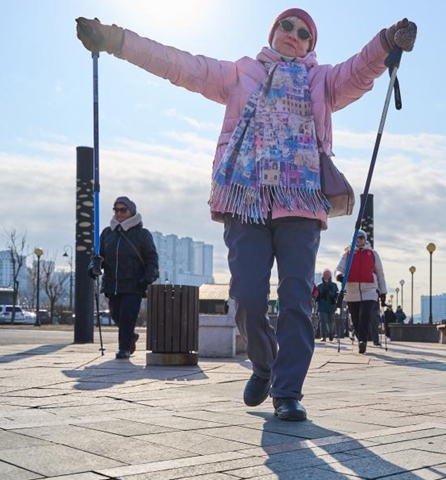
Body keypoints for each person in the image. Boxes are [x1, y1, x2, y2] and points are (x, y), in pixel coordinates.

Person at [76, 10, 417, 421]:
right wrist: (114, 40)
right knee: (248, 301)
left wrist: (385, 41)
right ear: (272, 33)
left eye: (304, 32)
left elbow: (360, 70)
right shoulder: (241, 73)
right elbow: (178, 64)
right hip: (245, 201)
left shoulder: (321, 81)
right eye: (286, 27)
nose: (294, 35)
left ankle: (288, 391)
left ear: (312, 45)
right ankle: (265, 364)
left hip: (302, 203)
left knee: (295, 299)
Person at [90, 197, 159, 359]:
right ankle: (131, 336)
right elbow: (98, 256)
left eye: (123, 210)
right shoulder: (108, 233)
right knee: (116, 315)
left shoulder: (142, 234)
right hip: (111, 284)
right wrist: (93, 268)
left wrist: (147, 278)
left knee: (128, 316)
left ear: (131, 212)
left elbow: (152, 258)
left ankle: (124, 348)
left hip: (133, 284)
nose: (119, 213)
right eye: (116, 210)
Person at [335, 229, 388, 354]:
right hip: (351, 290)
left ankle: (363, 341)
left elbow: (380, 273)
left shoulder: (373, 254)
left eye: (361, 237)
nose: (358, 239)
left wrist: (383, 291)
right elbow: (339, 269)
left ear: (365, 239)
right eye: (356, 237)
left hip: (369, 289)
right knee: (355, 317)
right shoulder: (347, 254)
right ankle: (360, 338)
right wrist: (339, 276)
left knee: (365, 315)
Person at [316, 269, 339, 341]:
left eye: (327, 275)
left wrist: (334, 296)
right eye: (325, 275)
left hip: (331, 306)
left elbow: (337, 295)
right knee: (323, 321)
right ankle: (323, 336)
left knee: (331, 321)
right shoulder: (319, 286)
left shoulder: (334, 285)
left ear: (330, 276)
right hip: (322, 306)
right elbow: (316, 295)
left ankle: (331, 334)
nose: (326, 276)